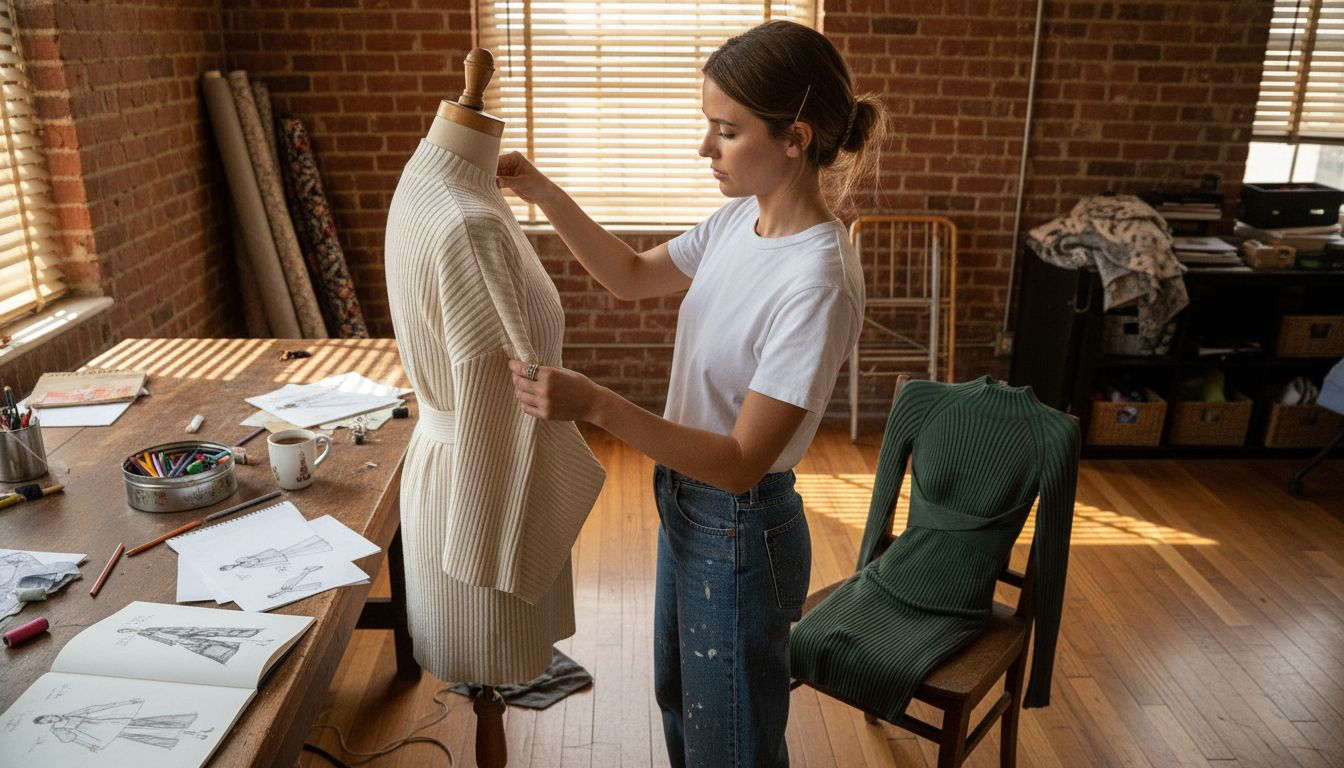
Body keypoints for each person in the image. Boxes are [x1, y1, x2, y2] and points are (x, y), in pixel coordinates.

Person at [497, 20, 882, 768]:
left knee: (729, 743)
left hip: (739, 525)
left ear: (795, 137)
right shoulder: (743, 220)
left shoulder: (817, 281)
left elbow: (741, 462)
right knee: (681, 701)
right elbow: (633, 276)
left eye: (726, 131)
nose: (705, 149)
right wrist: (540, 190)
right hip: (686, 502)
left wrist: (599, 405)